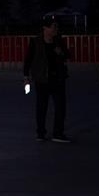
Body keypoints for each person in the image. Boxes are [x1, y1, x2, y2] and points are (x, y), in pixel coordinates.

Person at [23, 15, 71, 143]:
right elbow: (28, 60)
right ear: (45, 28)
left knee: (60, 107)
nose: (56, 28)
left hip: (58, 79)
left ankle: (58, 133)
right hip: (42, 79)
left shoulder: (59, 41)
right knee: (41, 107)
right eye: (54, 26)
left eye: (57, 26)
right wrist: (26, 77)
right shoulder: (35, 42)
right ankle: (40, 133)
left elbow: (68, 55)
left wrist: (61, 52)